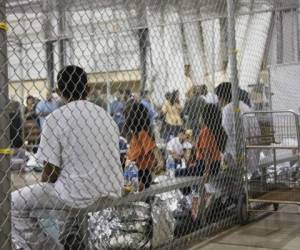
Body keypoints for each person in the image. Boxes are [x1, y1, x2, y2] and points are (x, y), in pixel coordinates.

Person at [11, 65, 124, 249]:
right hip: (112, 190)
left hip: (78, 195)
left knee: (13, 204)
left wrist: (46, 192)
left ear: (60, 92)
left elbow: (49, 174)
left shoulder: (55, 118)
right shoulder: (106, 116)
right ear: (87, 89)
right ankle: (71, 238)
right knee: (67, 187)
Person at [215, 82, 260, 176]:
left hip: (238, 153)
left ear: (221, 97)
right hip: (252, 151)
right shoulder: (244, 106)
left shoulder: (227, 109)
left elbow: (225, 133)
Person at [125, 101, 164, 191]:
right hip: (135, 170)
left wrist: (160, 161)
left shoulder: (142, 134)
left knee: (141, 192)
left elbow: (153, 147)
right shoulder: (136, 134)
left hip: (141, 171)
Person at [195, 104, 228, 177]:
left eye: (200, 115)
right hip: (218, 165)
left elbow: (207, 153)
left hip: (207, 166)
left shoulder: (205, 132)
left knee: (184, 171)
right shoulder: (220, 130)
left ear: (204, 118)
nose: (199, 118)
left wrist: (207, 171)